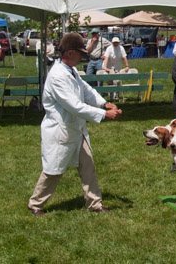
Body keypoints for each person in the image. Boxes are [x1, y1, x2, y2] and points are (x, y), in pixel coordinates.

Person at [28, 33, 122, 216]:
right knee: (53, 170)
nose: (82, 56)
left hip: (76, 129)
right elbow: (74, 106)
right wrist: (104, 113)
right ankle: (35, 204)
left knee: (88, 167)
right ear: (70, 53)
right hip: (61, 131)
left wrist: (103, 103)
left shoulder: (71, 71)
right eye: (80, 53)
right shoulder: (57, 76)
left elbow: (87, 90)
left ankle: (94, 203)